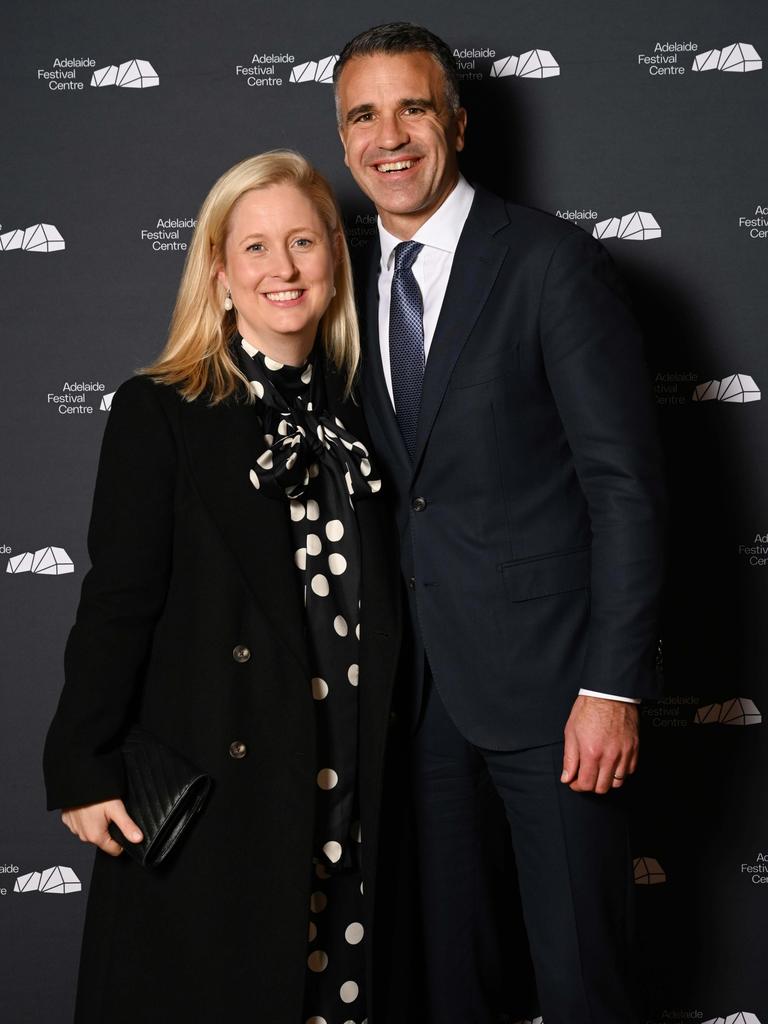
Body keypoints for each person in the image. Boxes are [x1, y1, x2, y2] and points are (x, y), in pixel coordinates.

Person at [333, 23, 666, 1024]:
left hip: (557, 701)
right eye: (362, 115)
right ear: (342, 139)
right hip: (413, 704)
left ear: (460, 124)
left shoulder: (551, 265)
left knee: (578, 981)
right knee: (446, 984)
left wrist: (611, 684)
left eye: (413, 107)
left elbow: (626, 488)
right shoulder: (336, 283)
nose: (389, 136)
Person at [43, 150, 401, 1024]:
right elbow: (118, 601)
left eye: (304, 243)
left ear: (334, 262)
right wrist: (80, 765)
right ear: (220, 272)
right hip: (228, 791)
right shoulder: (160, 408)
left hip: (355, 797)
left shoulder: (368, 414)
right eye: (256, 248)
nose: (282, 269)